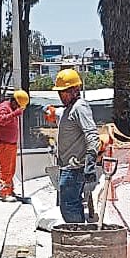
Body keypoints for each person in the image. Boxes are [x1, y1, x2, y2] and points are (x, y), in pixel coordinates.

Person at [44, 69, 100, 223]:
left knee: (69, 206)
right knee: (70, 204)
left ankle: (77, 233)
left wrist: (90, 163)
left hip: (75, 168)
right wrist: (50, 111)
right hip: (67, 167)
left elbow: (92, 135)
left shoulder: (80, 107)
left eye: (63, 92)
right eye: (59, 93)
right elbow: (60, 113)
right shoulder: (69, 109)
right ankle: (77, 231)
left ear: (75, 90)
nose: (61, 96)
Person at [0, 89, 29, 201]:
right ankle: (4, 193)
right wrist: (15, 113)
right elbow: (1, 120)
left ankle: (9, 190)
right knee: (5, 170)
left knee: (11, 169)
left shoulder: (11, 109)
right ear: (14, 101)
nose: (18, 108)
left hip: (11, 144)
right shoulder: (4, 107)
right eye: (18, 105)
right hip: (3, 144)